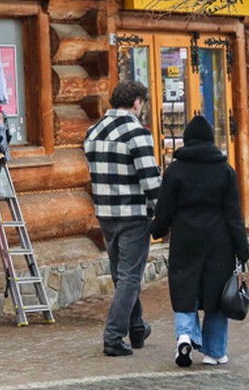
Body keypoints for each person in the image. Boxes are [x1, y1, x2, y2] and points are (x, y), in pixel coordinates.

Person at [150, 115, 249, 367]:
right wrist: (242, 247)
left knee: (185, 289)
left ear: (187, 140)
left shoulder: (175, 171)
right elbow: (233, 214)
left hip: (185, 238)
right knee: (217, 295)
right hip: (219, 241)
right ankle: (214, 352)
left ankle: (185, 335)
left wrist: (157, 229)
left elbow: (165, 209)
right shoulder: (225, 170)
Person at [83, 80, 162, 357]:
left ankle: (137, 327)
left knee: (121, 275)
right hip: (133, 215)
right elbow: (151, 182)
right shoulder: (136, 133)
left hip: (105, 214)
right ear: (137, 103)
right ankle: (113, 337)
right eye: (142, 104)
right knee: (129, 277)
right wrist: (165, 214)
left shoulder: (92, 132)